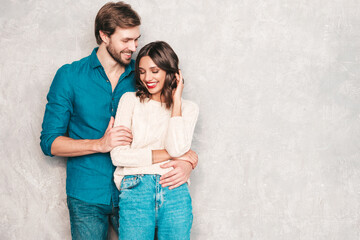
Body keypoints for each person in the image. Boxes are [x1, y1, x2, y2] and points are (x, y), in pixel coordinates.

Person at [40, 2, 198, 239]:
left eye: (136, 39)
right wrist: (99, 144)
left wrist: (189, 161)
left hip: (139, 192)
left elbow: (167, 122)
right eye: (126, 40)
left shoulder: (144, 75)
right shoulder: (70, 76)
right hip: (87, 194)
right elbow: (49, 143)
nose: (134, 47)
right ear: (104, 35)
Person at [110, 41, 199, 240]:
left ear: (172, 72)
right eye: (141, 71)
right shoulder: (129, 100)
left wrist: (176, 102)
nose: (147, 78)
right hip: (136, 189)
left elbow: (177, 146)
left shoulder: (189, 108)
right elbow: (118, 155)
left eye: (154, 71)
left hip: (175, 190)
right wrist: (172, 155)